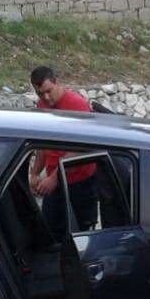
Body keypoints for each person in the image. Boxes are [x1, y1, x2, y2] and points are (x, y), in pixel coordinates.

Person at [28, 66, 97, 237]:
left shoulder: (77, 105)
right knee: (50, 232)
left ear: (56, 82)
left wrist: (54, 177)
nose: (45, 97)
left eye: (48, 91)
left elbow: (83, 146)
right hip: (55, 180)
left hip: (79, 182)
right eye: (40, 93)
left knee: (78, 236)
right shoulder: (42, 105)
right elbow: (43, 144)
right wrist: (35, 174)